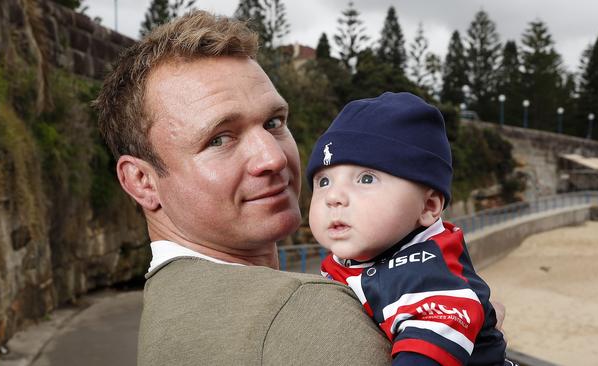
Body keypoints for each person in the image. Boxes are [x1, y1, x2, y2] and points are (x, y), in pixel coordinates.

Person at [93, 10, 392, 365]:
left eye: (273, 122)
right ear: (142, 182)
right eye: (219, 139)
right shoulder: (304, 313)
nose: (273, 158)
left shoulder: (168, 308)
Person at [307, 92, 513, 365]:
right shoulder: (352, 258)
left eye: (366, 179)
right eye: (323, 182)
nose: (334, 197)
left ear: (427, 206)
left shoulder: (429, 276)